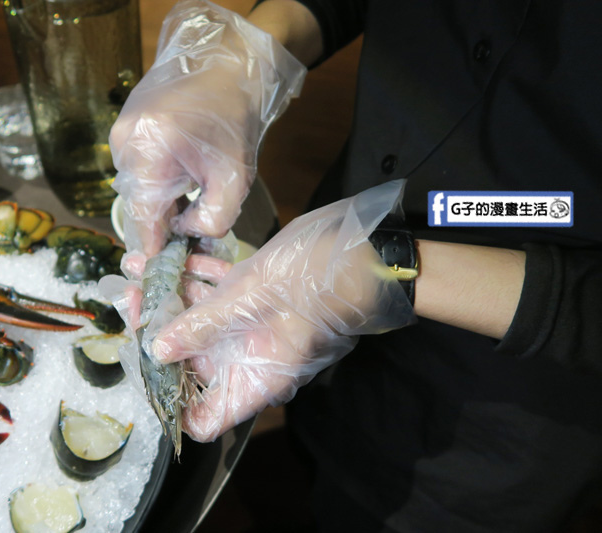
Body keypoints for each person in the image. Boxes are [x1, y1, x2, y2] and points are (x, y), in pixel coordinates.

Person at [106, 0, 602, 531]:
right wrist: (248, 54)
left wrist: (387, 272)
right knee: (310, 462)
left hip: (501, 428)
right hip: (315, 316)